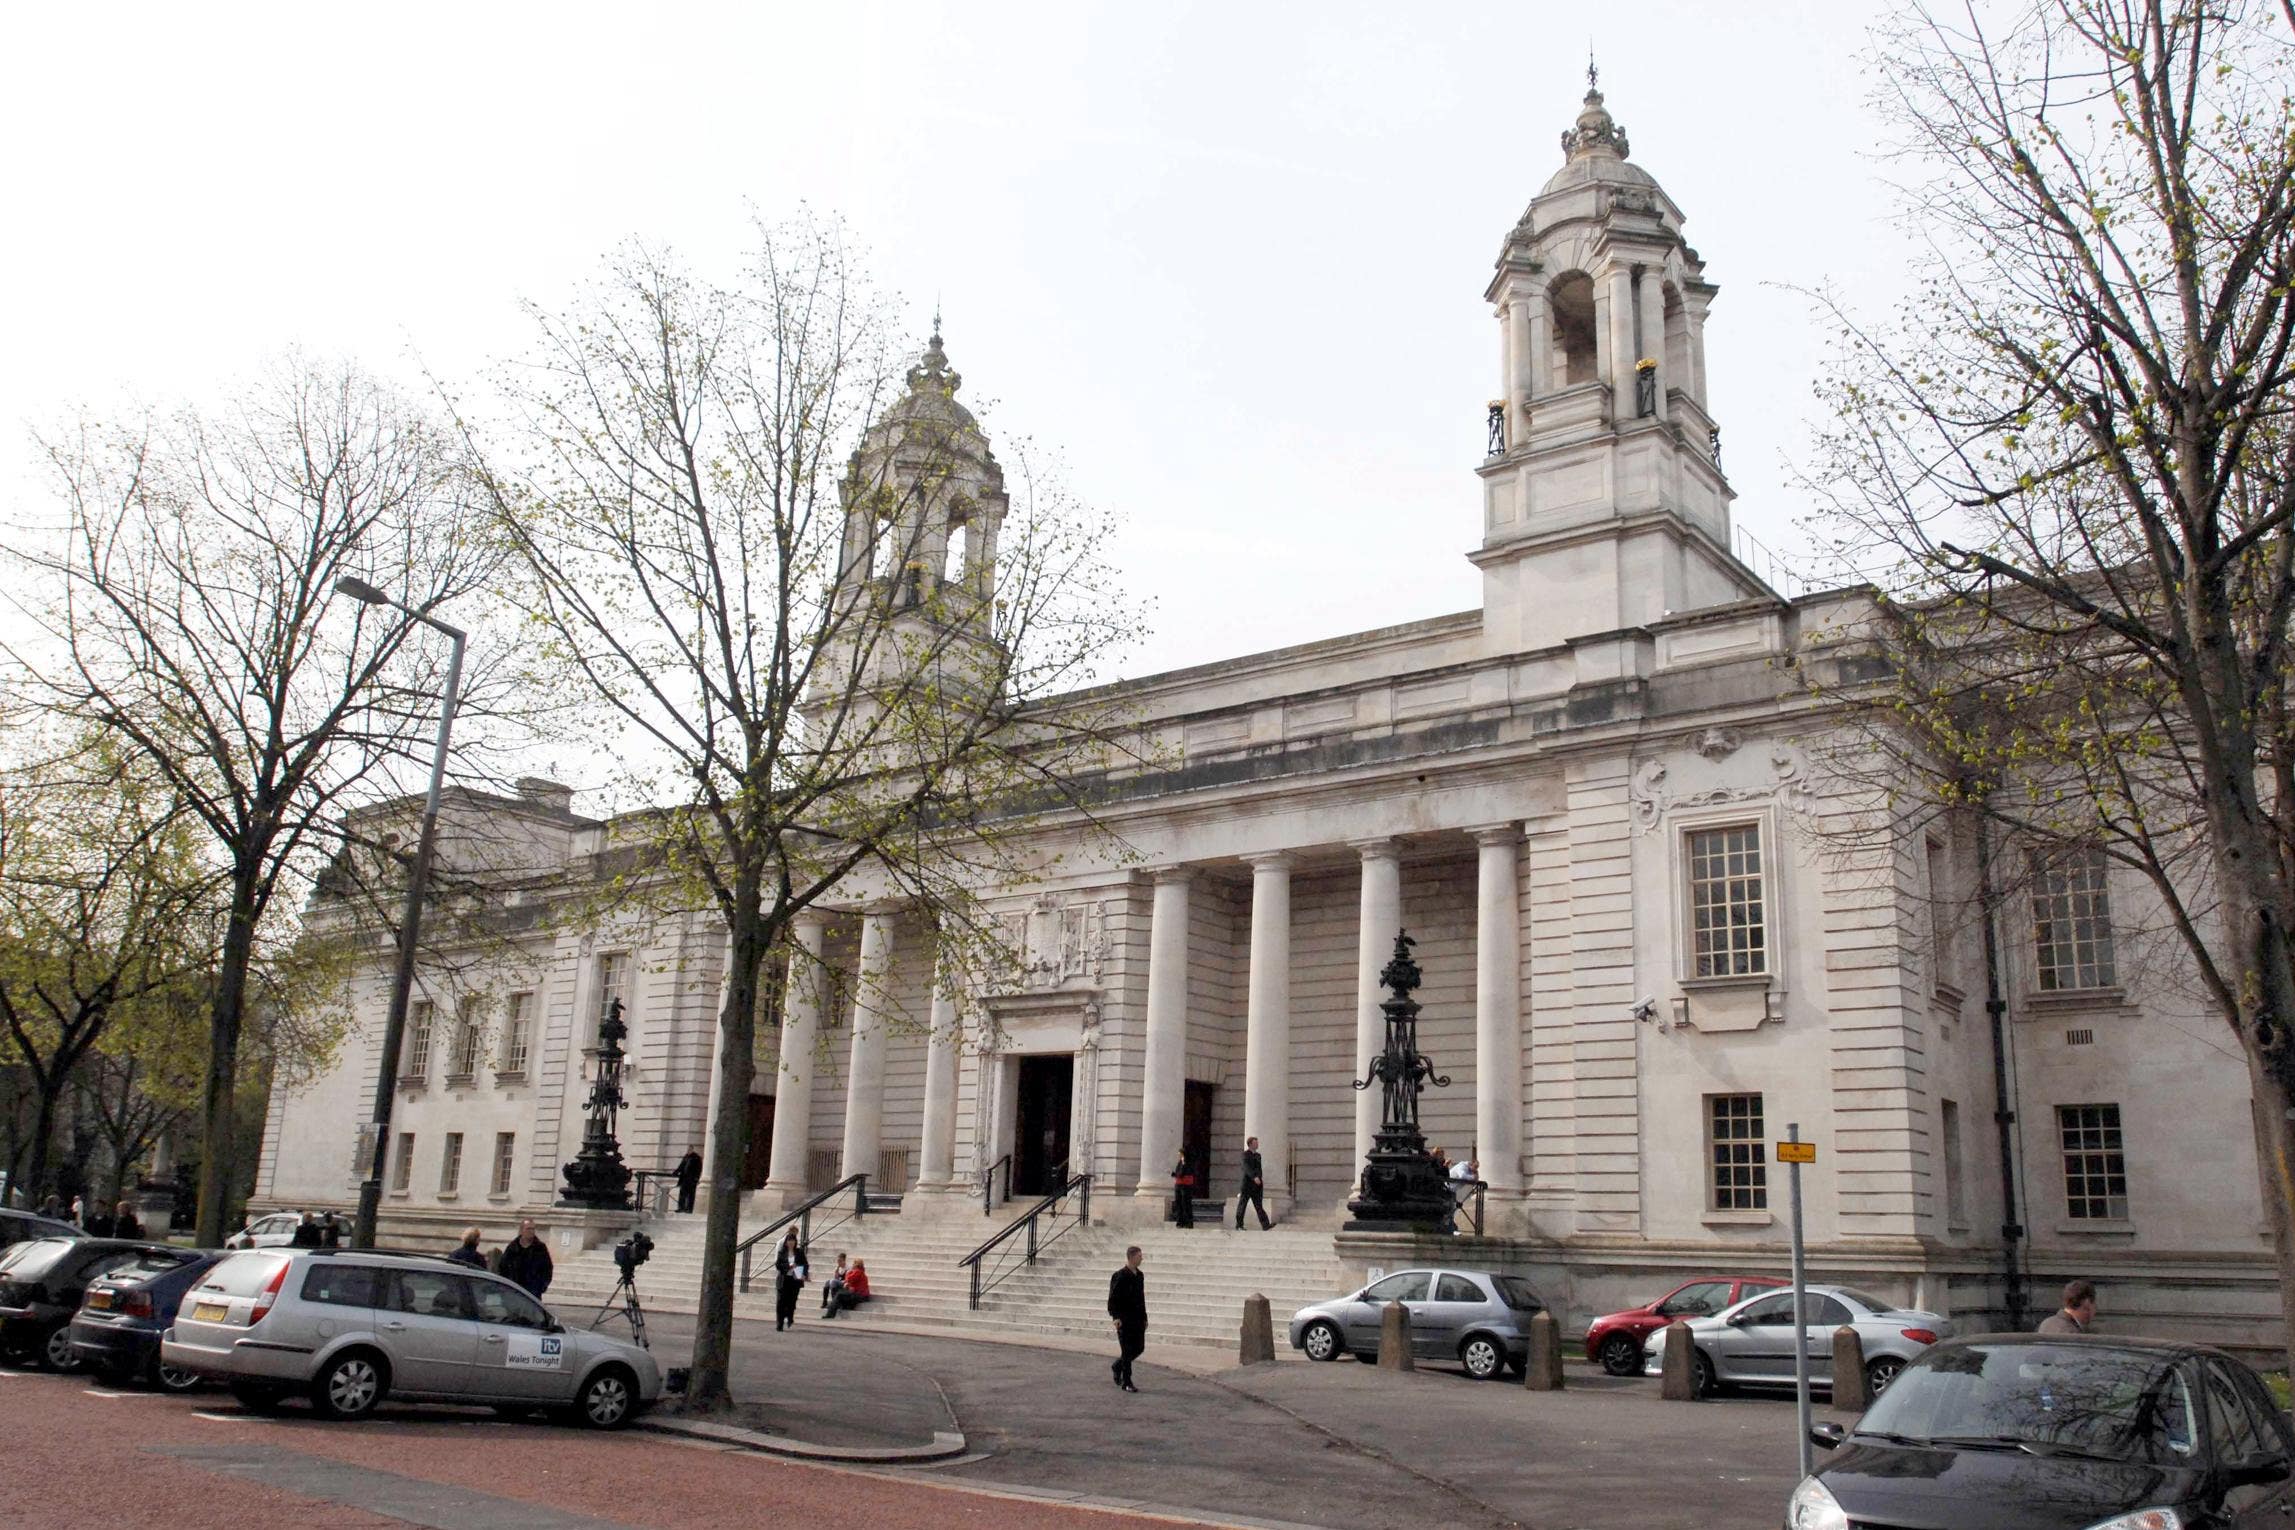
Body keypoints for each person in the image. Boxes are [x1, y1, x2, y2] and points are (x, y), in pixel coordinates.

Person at [1107, 1244, 1146, 1392]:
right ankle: (1127, 1382)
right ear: (1131, 1257)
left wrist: (1145, 1317)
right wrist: (1115, 1316)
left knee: (1139, 1347)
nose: (1141, 1258)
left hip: (1137, 1318)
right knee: (1127, 1350)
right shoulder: (1119, 1276)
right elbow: (1112, 1298)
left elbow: (1141, 1298)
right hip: (1123, 1319)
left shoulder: (1140, 1275)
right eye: (1139, 1256)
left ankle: (1117, 1366)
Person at [495, 1218, 554, 1297]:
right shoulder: (512, 1247)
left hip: (533, 1292)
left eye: (533, 1229)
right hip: (514, 1290)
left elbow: (548, 1268)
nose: (531, 1231)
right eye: (528, 1229)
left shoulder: (540, 1248)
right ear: (522, 1230)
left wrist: (541, 1286)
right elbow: (503, 1267)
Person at [1235, 1136, 1273, 1230]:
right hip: (1247, 1184)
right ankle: (1239, 1225)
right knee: (1242, 1205)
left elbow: (1259, 1169)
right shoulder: (1245, 1155)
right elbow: (1246, 1167)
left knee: (1259, 1206)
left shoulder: (1258, 1155)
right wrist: (1254, 1177)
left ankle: (1266, 1225)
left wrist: (1259, 1178)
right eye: (1256, 1143)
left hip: (1257, 1185)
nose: (1257, 1144)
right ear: (1251, 1144)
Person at [772, 1229, 806, 1332]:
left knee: (791, 1301)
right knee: (780, 1302)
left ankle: (790, 1316)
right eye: (789, 1240)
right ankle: (779, 1323)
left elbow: (804, 1264)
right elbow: (778, 1265)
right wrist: (789, 1266)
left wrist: (803, 1273)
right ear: (786, 1242)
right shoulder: (782, 1252)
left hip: (794, 1280)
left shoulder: (799, 1252)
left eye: (793, 1241)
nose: (791, 1243)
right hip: (783, 1279)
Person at [673, 1146, 703, 1214]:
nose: (688, 1151)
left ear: (692, 1150)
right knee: (682, 1193)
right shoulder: (686, 1157)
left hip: (692, 1179)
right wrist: (676, 1172)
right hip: (684, 1178)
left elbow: (699, 1169)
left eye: (690, 1149)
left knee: (690, 1195)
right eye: (688, 1149)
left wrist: (696, 1178)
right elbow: (681, 1166)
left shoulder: (696, 1157)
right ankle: (681, 1208)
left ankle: (689, 1209)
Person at [820, 1252, 851, 1316]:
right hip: (837, 1282)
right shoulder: (838, 1268)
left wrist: (839, 1281)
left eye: (840, 1261)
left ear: (844, 1260)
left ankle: (834, 1303)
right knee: (827, 1283)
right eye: (838, 1261)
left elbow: (847, 1279)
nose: (838, 1262)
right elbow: (836, 1278)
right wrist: (836, 1270)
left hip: (844, 1283)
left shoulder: (848, 1268)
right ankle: (825, 1302)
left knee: (833, 1282)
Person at [1170, 1150, 1195, 1229]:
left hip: (1186, 1186)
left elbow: (1183, 1173)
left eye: (1181, 1154)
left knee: (1186, 1204)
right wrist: (1174, 1174)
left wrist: (1176, 1174)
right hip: (1179, 1185)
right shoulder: (1180, 1162)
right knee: (1179, 1203)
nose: (1179, 1155)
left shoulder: (1188, 1162)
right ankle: (1180, 1222)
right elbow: (1178, 1173)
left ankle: (1188, 1222)